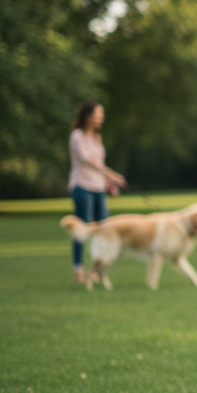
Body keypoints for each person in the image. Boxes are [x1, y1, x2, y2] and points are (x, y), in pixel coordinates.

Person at [68, 100, 127, 283]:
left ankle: (97, 271)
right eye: (98, 114)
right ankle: (78, 270)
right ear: (88, 116)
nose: (101, 118)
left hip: (97, 188)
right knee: (82, 227)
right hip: (81, 186)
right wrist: (113, 174)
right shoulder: (77, 136)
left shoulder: (96, 138)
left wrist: (109, 183)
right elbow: (88, 161)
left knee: (105, 229)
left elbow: (99, 165)